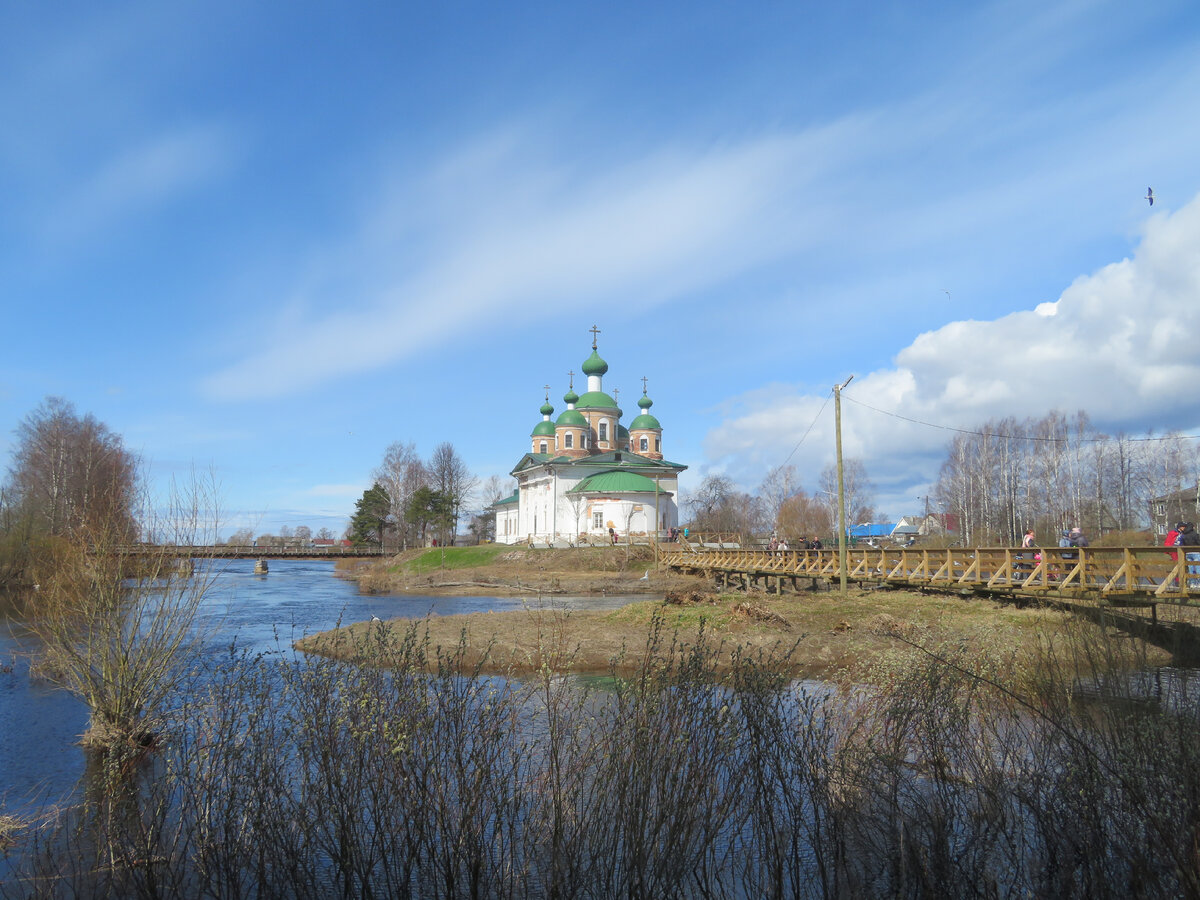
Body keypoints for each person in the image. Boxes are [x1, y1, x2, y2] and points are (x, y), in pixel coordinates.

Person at [1174, 522, 1200, 589]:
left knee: (1190, 568)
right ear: (1192, 527)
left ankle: (1192, 583)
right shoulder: (1195, 534)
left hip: (1188, 553)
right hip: (1196, 552)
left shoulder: (1184, 535)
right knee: (1197, 568)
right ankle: (1198, 583)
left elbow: (1182, 544)